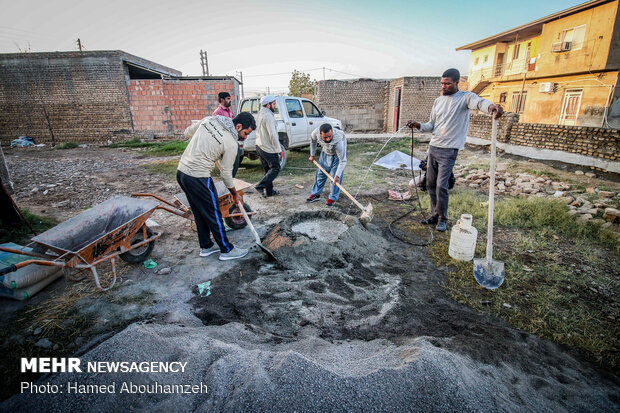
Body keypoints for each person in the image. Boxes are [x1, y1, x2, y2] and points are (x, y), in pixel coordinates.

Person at [406, 68, 503, 232]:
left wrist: (492, 107)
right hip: (434, 148)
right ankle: (434, 215)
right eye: (442, 83)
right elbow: (431, 125)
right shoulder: (438, 101)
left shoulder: (465, 98)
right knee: (430, 184)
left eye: (447, 84)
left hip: (449, 151)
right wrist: (419, 126)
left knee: (441, 186)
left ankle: (443, 218)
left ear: (457, 83)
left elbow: (479, 103)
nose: (443, 87)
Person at [177, 112, 256, 260]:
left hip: (182, 173)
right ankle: (226, 250)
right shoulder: (231, 143)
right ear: (238, 126)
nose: (245, 137)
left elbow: (187, 132)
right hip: (198, 176)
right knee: (214, 213)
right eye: (245, 133)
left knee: (200, 213)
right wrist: (234, 193)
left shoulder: (210, 120)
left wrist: (206, 142)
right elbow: (226, 174)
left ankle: (206, 246)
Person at [306, 123, 347, 206]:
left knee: (334, 180)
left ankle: (332, 198)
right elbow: (313, 142)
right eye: (325, 137)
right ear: (320, 134)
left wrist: (337, 175)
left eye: (330, 136)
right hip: (325, 153)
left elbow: (342, 161)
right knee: (320, 175)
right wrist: (312, 155)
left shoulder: (338, 141)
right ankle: (316, 194)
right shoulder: (315, 133)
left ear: (332, 132)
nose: (328, 139)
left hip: (336, 156)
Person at [255, 95, 283, 197]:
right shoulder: (268, 116)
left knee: (268, 170)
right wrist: (278, 150)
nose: (275, 106)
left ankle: (269, 192)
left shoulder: (260, 113)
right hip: (267, 148)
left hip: (259, 145)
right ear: (268, 105)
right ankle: (260, 186)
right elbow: (273, 135)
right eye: (274, 104)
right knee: (276, 168)